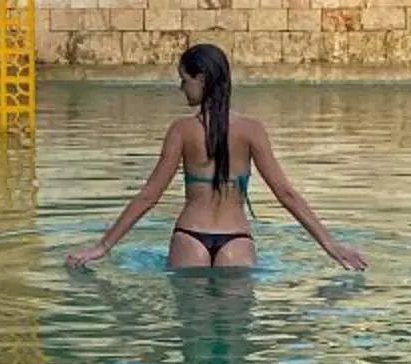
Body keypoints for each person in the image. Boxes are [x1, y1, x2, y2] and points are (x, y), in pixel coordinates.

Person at [66, 41, 366, 274]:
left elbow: (149, 197)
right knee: (234, 340)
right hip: (236, 241)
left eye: (184, 79)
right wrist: (330, 244)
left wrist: (103, 246)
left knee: (193, 340)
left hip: (189, 238)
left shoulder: (182, 130)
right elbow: (285, 194)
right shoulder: (252, 130)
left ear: (202, 79)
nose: (181, 87)